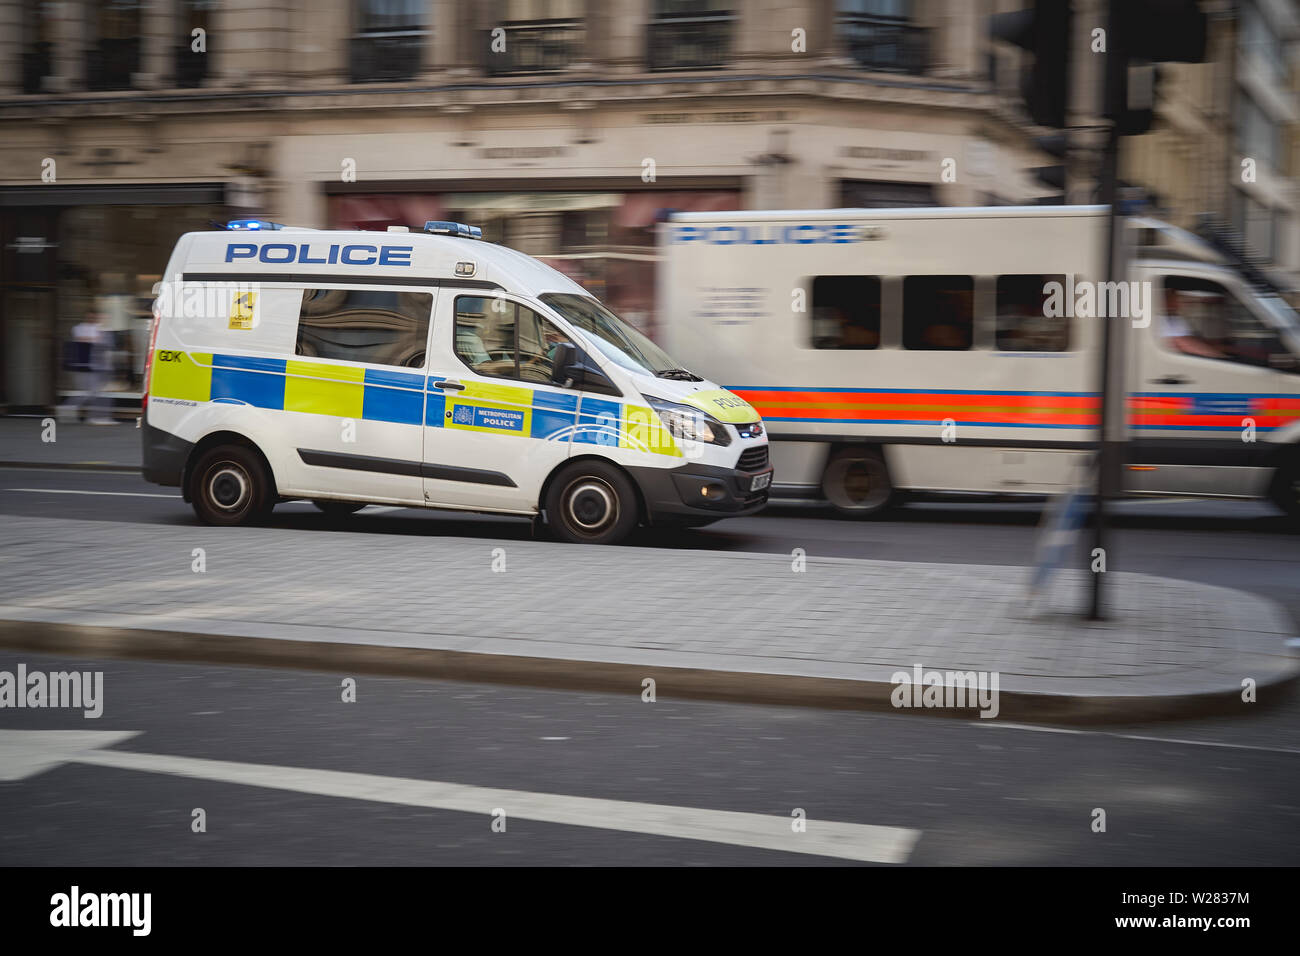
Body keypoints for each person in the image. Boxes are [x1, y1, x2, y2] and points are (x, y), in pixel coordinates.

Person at [68, 311, 117, 424]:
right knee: (93, 393)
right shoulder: (79, 328)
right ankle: (70, 409)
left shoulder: (99, 329)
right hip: (90, 366)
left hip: (100, 366)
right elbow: (84, 341)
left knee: (97, 393)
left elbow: (100, 343)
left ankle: (97, 417)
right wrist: (95, 339)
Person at [1161, 286, 1224, 359]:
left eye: (1178, 299)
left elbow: (1190, 339)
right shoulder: (1157, 320)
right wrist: (1219, 356)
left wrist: (1222, 348)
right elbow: (1182, 342)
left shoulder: (1177, 319)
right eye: (1175, 299)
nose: (1178, 303)